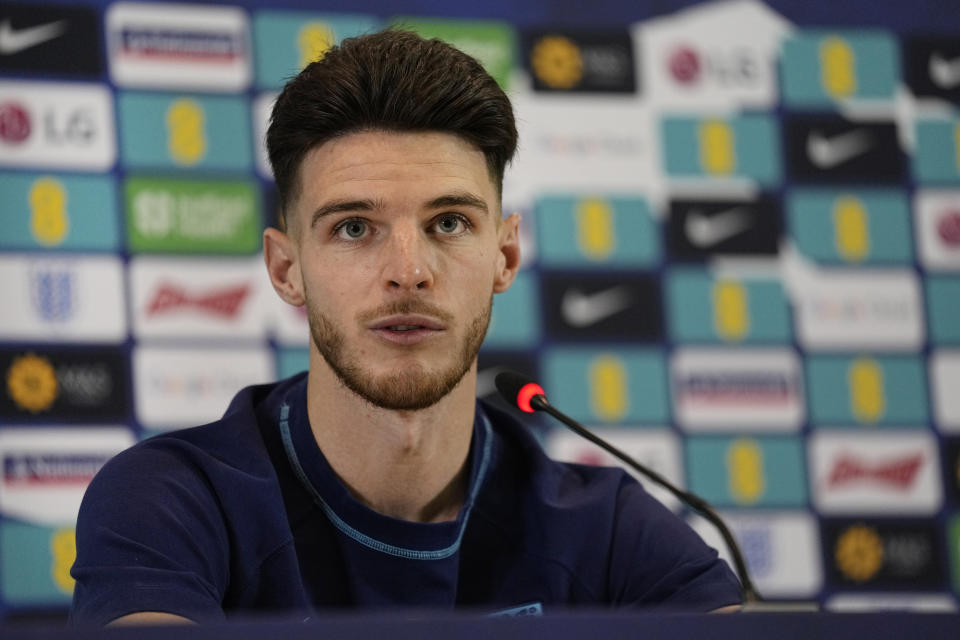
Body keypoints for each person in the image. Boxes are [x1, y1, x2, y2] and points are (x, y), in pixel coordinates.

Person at [69, 29, 742, 625]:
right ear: (286, 268)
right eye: (355, 228)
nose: (409, 272)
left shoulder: (610, 532)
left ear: (504, 256)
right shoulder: (172, 502)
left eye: (449, 223)